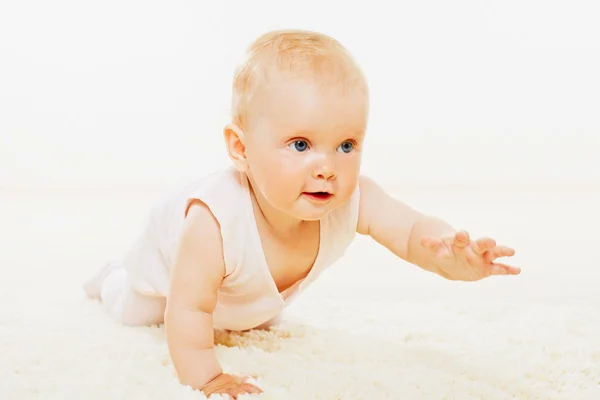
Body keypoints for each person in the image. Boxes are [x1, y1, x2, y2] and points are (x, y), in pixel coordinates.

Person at [83, 29, 521, 399]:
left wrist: (447, 253)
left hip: (247, 297)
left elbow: (410, 232)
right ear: (241, 149)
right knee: (130, 307)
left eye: (346, 146)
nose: (327, 166)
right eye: (300, 145)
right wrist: (208, 377)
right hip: (164, 284)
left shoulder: (348, 200)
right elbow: (189, 310)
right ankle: (109, 278)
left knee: (252, 315)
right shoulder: (213, 221)